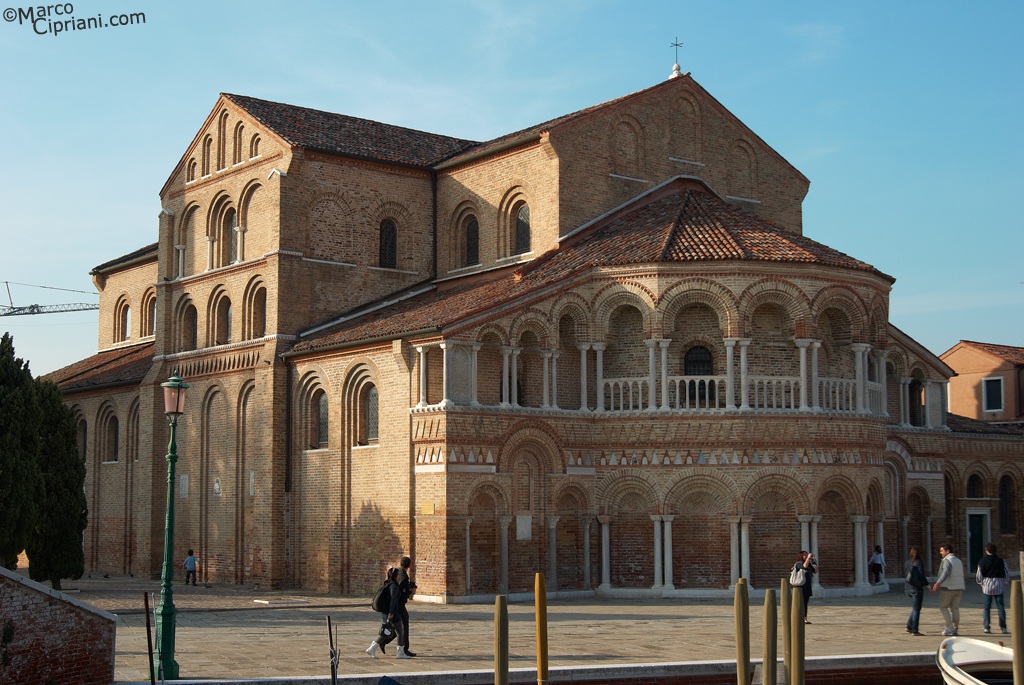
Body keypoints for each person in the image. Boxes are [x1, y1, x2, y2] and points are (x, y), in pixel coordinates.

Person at [365, 567, 406, 659]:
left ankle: (372, 648)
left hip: (385, 612)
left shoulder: (387, 584)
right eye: (398, 574)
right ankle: (400, 653)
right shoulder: (394, 586)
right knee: (399, 632)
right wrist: (391, 612)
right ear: (396, 576)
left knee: (385, 632)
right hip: (392, 612)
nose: (399, 576)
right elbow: (393, 600)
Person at [931, 543, 965, 636]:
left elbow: (945, 572)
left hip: (948, 587)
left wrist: (938, 582)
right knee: (955, 608)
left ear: (947, 551)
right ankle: (955, 628)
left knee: (943, 607)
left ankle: (949, 627)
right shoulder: (958, 560)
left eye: (942, 551)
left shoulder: (947, 560)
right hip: (959, 587)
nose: (940, 553)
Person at [976, 543, 1010, 634]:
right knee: (1000, 607)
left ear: (987, 551)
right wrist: (1004, 582)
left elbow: (979, 574)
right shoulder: (1001, 561)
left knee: (987, 607)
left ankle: (986, 627)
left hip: (987, 586)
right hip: (999, 585)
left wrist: (981, 583)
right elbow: (1006, 573)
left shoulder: (982, 561)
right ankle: (1003, 627)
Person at [394, 555, 417, 657]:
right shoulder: (403, 575)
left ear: (400, 563)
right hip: (399, 604)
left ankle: (380, 642)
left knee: (396, 626)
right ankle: (404, 648)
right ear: (409, 566)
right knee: (404, 624)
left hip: (396, 604)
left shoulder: (397, 572)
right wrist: (409, 591)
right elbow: (401, 591)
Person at [903, 545, 927, 636]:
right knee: (917, 609)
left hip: (908, 588)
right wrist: (927, 585)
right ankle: (915, 630)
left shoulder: (907, 562)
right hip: (916, 588)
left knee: (915, 608)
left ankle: (909, 626)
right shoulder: (918, 562)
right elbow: (921, 575)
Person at [792, 550, 816, 623]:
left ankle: (804, 618)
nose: (806, 556)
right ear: (801, 556)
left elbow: (816, 571)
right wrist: (808, 558)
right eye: (805, 555)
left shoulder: (809, 564)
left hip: (807, 586)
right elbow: (804, 566)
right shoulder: (798, 564)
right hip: (800, 586)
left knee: (805, 603)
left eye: (807, 555)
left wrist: (814, 562)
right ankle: (797, 617)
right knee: (800, 603)